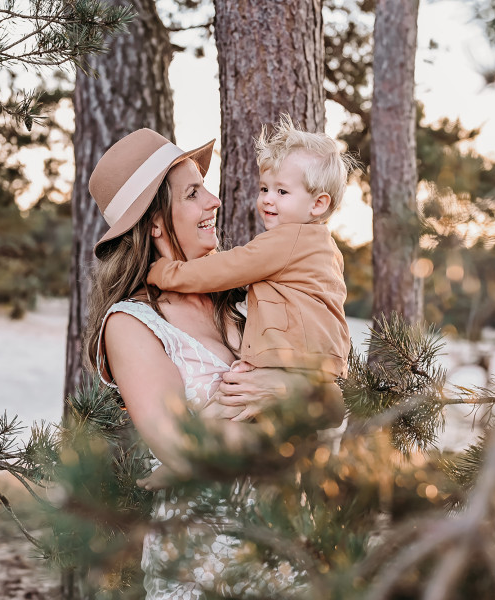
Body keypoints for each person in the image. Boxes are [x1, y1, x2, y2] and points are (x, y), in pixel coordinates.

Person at [83, 128, 344, 598]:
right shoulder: (132, 324)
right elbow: (183, 451)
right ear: (156, 222)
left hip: (293, 553)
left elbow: (334, 403)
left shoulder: (245, 301)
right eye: (193, 192)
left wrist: (293, 391)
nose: (215, 200)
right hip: (208, 566)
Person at [146, 116, 354, 390]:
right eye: (265, 188)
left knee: (237, 392)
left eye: (282, 191)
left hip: (298, 358)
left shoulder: (288, 241)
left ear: (317, 204)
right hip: (318, 359)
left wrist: (166, 272)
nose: (268, 198)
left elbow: (227, 268)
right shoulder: (320, 246)